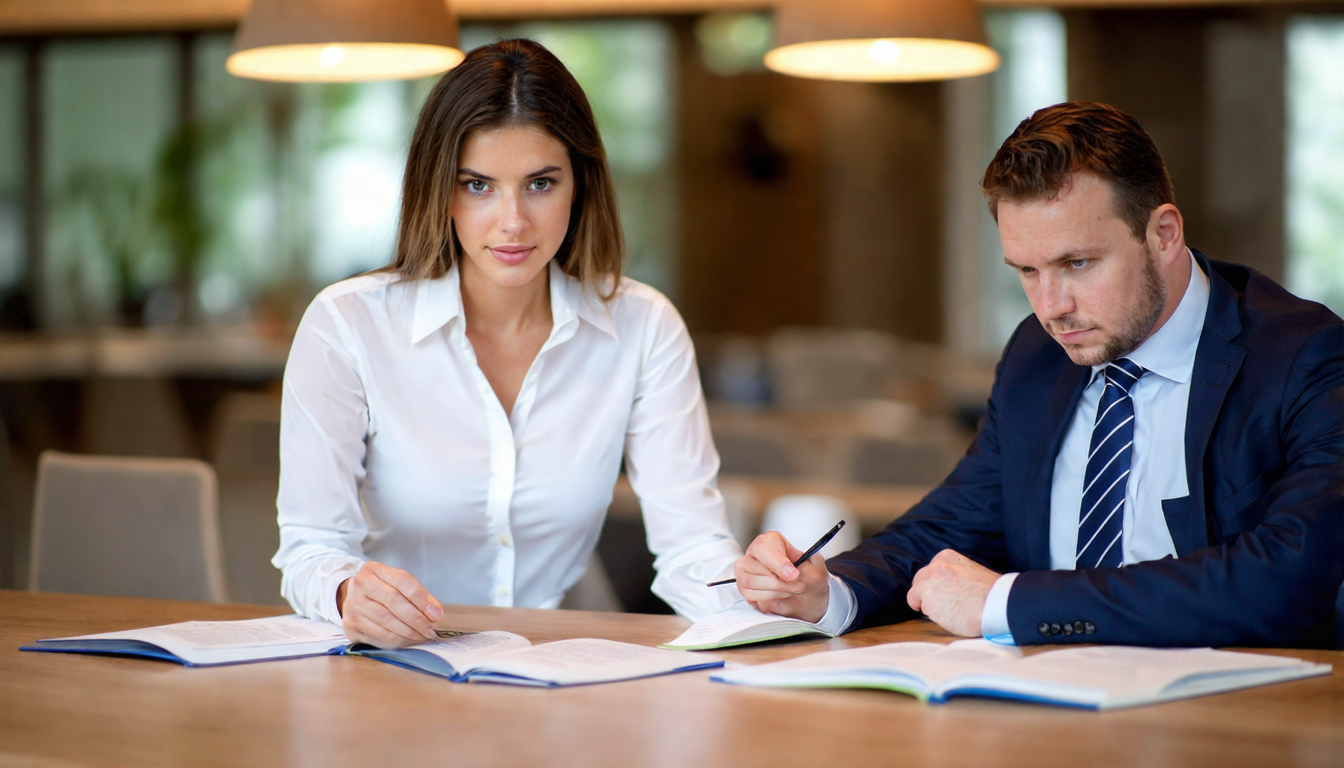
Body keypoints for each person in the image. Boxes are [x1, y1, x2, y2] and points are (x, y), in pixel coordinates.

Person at [733, 101, 1344, 648]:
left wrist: (1005, 603)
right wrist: (824, 591)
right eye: (1026, 270)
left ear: (1162, 233)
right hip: (1040, 709)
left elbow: (1284, 577)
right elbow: (951, 526)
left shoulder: (1305, 358)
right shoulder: (1036, 354)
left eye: (1076, 263)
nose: (1050, 307)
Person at [274, 39, 742, 648]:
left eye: (540, 183)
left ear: (580, 184)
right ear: (439, 188)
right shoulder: (347, 324)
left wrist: (759, 594)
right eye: (478, 186)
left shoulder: (644, 327)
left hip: (558, 672)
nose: (513, 220)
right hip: (392, 666)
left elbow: (693, 547)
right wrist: (346, 591)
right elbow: (310, 548)